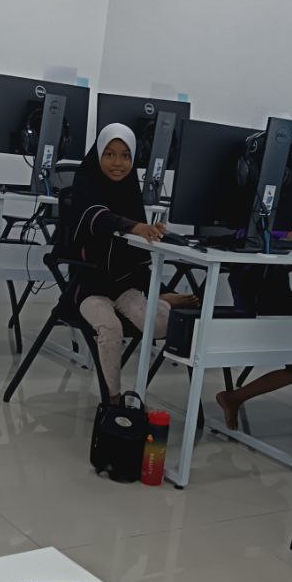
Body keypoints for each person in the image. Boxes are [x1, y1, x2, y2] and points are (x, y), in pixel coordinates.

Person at [64, 123, 193, 401]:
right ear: (98, 154)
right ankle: (113, 400)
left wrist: (149, 231)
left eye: (125, 156)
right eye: (109, 154)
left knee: (162, 325)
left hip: (124, 285)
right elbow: (97, 217)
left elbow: (138, 258)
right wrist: (135, 227)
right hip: (88, 286)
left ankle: (163, 300)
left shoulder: (129, 189)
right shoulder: (85, 185)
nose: (118, 163)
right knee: (111, 328)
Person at [213, 226, 292, 429]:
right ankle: (233, 398)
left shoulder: (277, 226)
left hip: (277, 297)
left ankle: (233, 398)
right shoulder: (254, 226)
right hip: (257, 303)